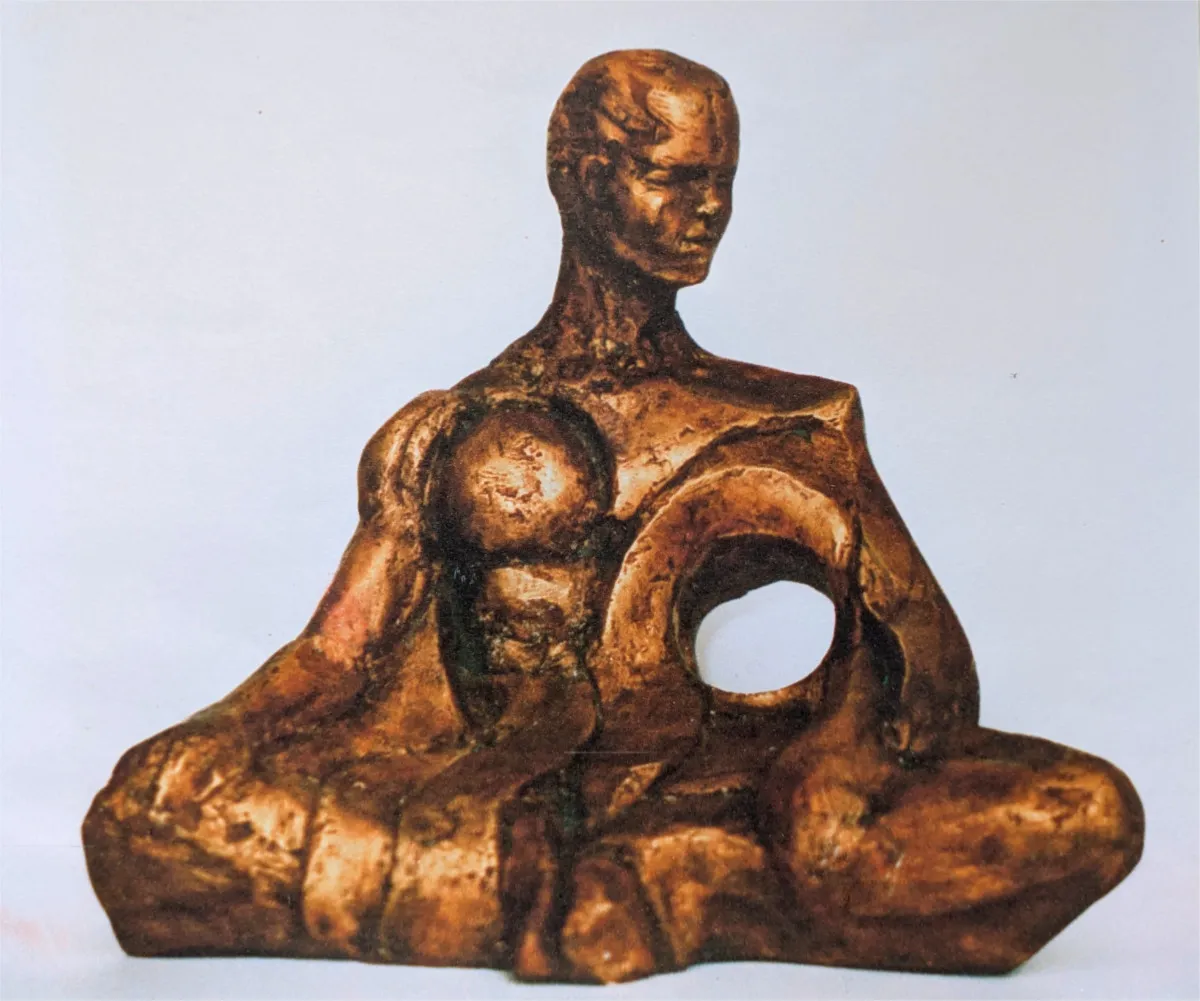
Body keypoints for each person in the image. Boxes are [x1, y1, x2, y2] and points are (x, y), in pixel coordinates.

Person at [84, 49, 1143, 983]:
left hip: (715, 790)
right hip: (478, 791)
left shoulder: (795, 424)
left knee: (1087, 812)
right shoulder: (451, 427)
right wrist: (216, 732)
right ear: (586, 180)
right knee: (143, 811)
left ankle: (686, 876)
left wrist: (828, 746)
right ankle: (598, 887)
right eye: (676, 178)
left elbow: (931, 686)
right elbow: (336, 653)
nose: (710, 209)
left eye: (723, 181)